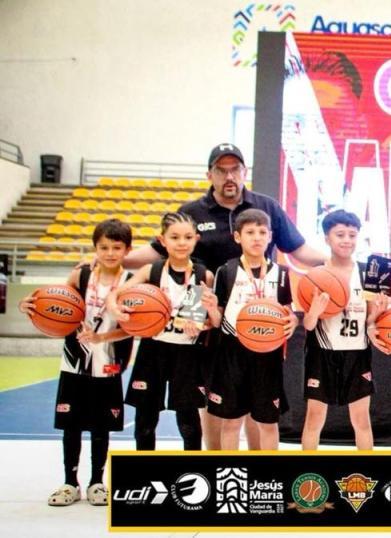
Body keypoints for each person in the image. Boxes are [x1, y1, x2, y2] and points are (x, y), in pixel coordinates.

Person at [122, 143, 320, 451]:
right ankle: (215, 464)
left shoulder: (265, 207)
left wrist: (336, 264)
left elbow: (299, 250)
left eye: (235, 169)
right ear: (210, 174)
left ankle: (256, 472)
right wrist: (111, 261)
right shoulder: (191, 212)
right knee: (214, 402)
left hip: (257, 316)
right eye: (221, 170)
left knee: (259, 412)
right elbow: (157, 250)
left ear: (244, 172)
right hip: (207, 313)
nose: (229, 176)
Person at [21, 219, 134, 506]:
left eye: (116, 248)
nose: (110, 253)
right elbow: (54, 304)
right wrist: (29, 307)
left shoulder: (131, 282)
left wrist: (102, 336)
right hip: (74, 361)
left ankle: (97, 482)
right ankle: (70, 482)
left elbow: (134, 327)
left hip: (108, 361)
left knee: (101, 426)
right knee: (71, 424)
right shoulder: (81, 276)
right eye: (103, 247)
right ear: (95, 248)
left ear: (127, 250)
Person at [108, 213, 218, 451]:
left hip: (188, 353)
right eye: (175, 237)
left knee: (188, 422)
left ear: (196, 239)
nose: (181, 242)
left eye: (188, 237)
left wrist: (203, 324)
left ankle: (193, 475)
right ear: (162, 240)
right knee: (145, 421)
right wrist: (116, 309)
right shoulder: (151, 271)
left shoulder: (203, 275)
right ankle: (147, 474)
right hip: (153, 350)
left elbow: (209, 320)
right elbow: (117, 294)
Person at [207, 209, 298, 450]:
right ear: (237, 237)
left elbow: (288, 312)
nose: (256, 238)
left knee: (268, 423)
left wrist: (293, 322)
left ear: (270, 236)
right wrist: (210, 309)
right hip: (232, 353)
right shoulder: (225, 271)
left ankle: (267, 477)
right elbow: (216, 322)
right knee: (231, 423)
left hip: (268, 355)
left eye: (262, 232)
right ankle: (231, 477)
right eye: (250, 232)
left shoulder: (282, 274)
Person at [301, 210, 384, 451]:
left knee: (361, 420)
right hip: (322, 353)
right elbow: (307, 324)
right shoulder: (316, 275)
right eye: (340, 234)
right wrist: (315, 311)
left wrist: (377, 316)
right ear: (327, 238)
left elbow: (370, 321)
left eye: (352, 234)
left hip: (357, 353)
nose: (346, 240)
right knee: (314, 419)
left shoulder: (370, 273)